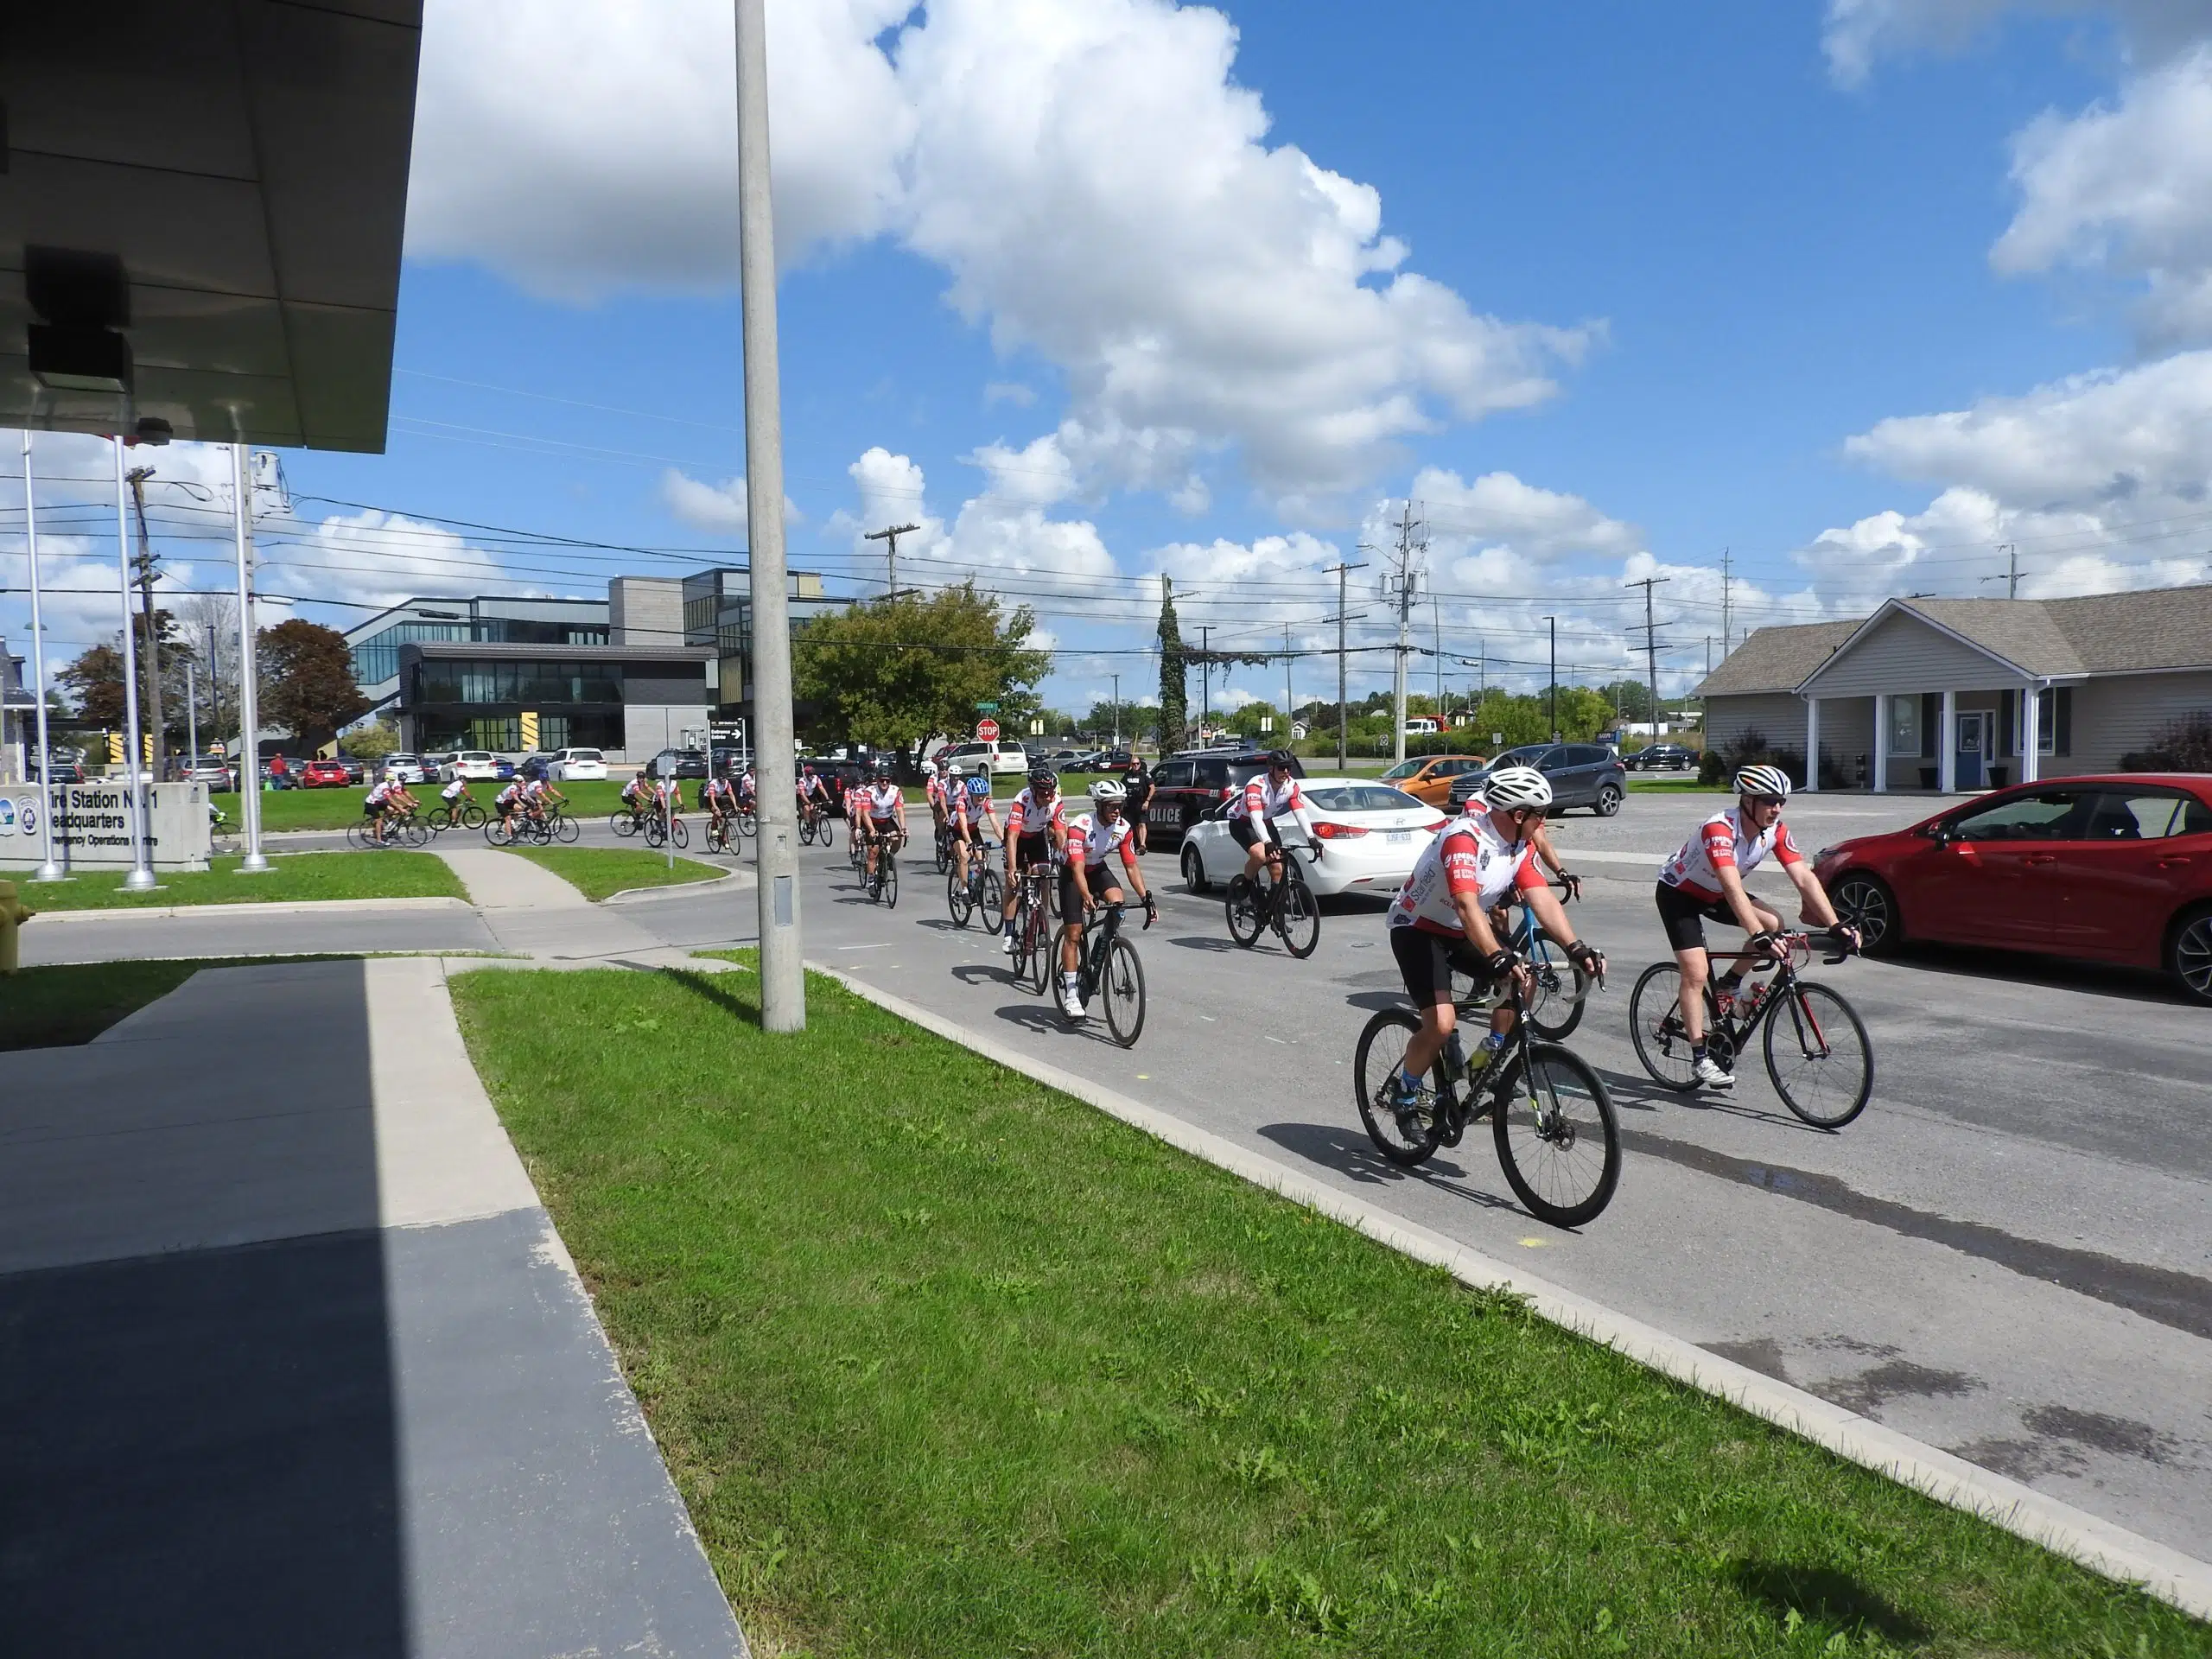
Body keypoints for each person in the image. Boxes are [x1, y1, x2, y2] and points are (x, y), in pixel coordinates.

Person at [1381, 766, 1604, 1121]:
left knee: (1524, 979)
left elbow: (1540, 897)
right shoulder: (1464, 839)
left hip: (1459, 929)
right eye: (1541, 814)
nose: (1544, 821)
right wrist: (1497, 955)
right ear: (1518, 815)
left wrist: (1575, 947)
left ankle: (1485, 1061)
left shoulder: (1519, 844)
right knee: (1439, 1024)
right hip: (1418, 928)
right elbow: (1467, 905)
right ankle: (1405, 1093)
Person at [1656, 764, 1858, 1090]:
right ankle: (1699, 1057)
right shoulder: (1719, 829)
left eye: (1781, 801)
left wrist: (1835, 924)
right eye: (1768, 801)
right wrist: (1757, 935)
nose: (1775, 808)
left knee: (1775, 923)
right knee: (1694, 972)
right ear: (1747, 801)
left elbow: (1804, 877)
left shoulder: (1776, 830)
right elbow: (1732, 885)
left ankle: (1729, 983)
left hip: (1717, 892)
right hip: (1680, 894)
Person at [1058, 779, 1157, 1018]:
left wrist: (1146, 899)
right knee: (1073, 933)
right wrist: (1085, 895)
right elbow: (1078, 869)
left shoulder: (1124, 828)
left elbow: (1131, 867)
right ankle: (1071, 993)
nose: (1116, 811)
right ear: (1099, 805)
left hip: (1097, 869)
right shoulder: (1080, 826)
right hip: (1072, 873)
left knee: (1118, 902)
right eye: (1111, 806)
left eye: (1120, 806)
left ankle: (1103, 946)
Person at [1000, 765, 1070, 949]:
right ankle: (1008, 934)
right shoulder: (1021, 801)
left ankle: (1042, 930)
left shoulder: (1056, 802)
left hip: (1037, 837)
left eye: (1051, 792)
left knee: (1044, 878)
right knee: (1013, 885)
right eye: (1043, 793)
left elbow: (1062, 835)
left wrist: (1067, 862)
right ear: (1033, 791)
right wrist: (1013, 870)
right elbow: (1012, 838)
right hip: (1017, 839)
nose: (1048, 796)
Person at [1227, 749, 1318, 886]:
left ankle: (1275, 903)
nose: (1286, 772)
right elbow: (1255, 818)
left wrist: (1311, 838)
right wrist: (1267, 842)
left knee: (1277, 867)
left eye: (1289, 767)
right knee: (1260, 855)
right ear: (1271, 768)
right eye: (1282, 768)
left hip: (1266, 823)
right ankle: (1246, 886)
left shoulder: (1291, 786)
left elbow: (1300, 813)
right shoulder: (1256, 785)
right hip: (1242, 823)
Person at [952, 768, 1001, 892]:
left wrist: (1004, 839)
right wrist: (969, 843)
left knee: (981, 860)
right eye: (978, 796)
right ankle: (964, 890)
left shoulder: (987, 802)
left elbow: (995, 824)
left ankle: (973, 878)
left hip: (973, 830)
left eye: (983, 795)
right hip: (956, 830)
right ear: (971, 794)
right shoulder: (962, 802)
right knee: (964, 856)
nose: (981, 798)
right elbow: (963, 826)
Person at [859, 761, 906, 883]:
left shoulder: (895, 791)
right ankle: (871, 880)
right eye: (882, 780)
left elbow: (900, 810)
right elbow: (865, 813)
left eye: (887, 781)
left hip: (887, 820)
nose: (885, 783)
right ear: (878, 780)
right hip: (872, 821)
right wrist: (871, 830)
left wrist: (904, 828)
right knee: (873, 853)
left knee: (897, 837)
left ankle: (890, 856)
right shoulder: (869, 792)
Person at [1122, 757, 1154, 855]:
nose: (1136, 765)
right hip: (1130, 803)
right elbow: (1121, 787)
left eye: (1138, 763)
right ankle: (1136, 844)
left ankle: (1143, 845)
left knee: (1142, 823)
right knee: (1133, 825)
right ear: (1131, 765)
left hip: (1141, 802)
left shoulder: (1144, 775)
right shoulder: (1127, 775)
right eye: (1134, 764)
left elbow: (1152, 788)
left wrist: (1147, 801)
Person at [704, 769, 740, 842]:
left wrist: (735, 806)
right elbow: (712, 798)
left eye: (724, 778)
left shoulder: (727, 783)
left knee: (723, 818)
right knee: (716, 813)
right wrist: (716, 808)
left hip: (719, 799)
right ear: (718, 779)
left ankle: (722, 836)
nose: (723, 780)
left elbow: (731, 794)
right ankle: (713, 828)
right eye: (722, 779)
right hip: (709, 799)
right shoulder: (713, 784)